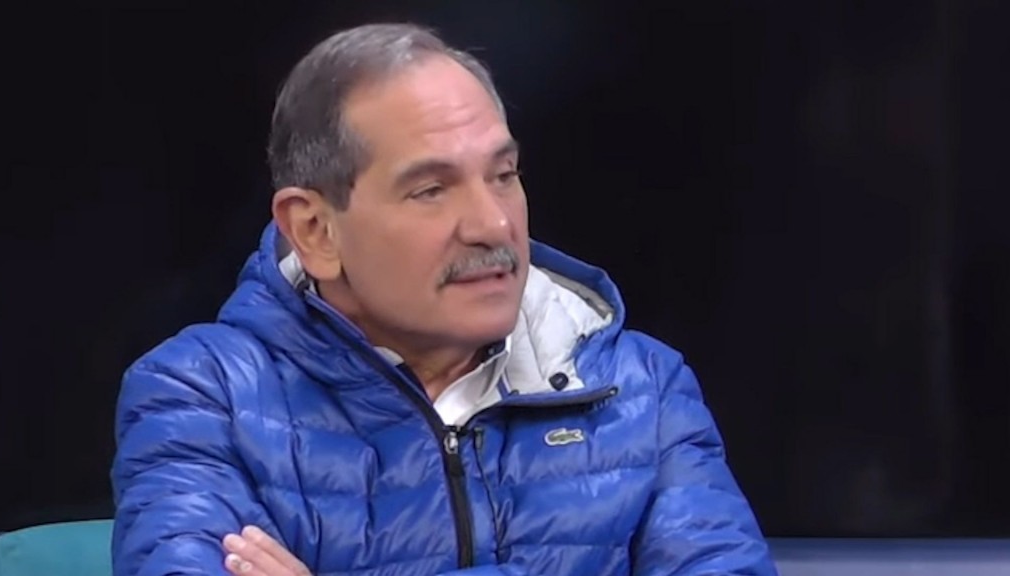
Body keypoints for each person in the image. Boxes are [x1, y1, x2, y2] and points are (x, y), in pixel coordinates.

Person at [110, 22, 777, 576]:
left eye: (504, 175)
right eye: (431, 190)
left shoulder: (643, 390)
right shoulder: (201, 397)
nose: (493, 223)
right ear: (315, 231)